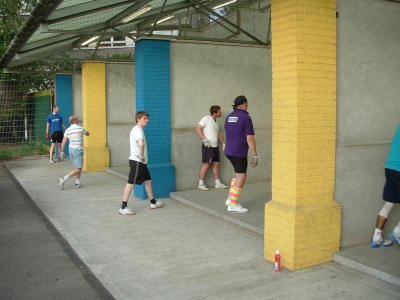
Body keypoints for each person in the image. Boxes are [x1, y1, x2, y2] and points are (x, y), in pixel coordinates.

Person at [119, 111, 165, 215]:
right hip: (137, 161)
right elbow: (141, 143)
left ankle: (153, 203)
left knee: (148, 181)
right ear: (138, 119)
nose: (147, 120)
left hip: (141, 162)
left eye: (147, 118)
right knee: (130, 184)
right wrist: (141, 155)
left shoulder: (137, 130)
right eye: (144, 118)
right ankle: (123, 207)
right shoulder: (137, 130)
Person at [224, 95, 258, 213]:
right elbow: (249, 138)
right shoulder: (245, 117)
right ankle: (233, 205)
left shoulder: (229, 116)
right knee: (241, 177)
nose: (247, 105)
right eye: (247, 103)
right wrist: (255, 155)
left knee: (237, 175)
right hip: (239, 152)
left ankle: (230, 199)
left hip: (229, 151)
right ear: (243, 103)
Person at [370, 124, 400, 248]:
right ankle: (397, 231)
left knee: (389, 202)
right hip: (399, 169)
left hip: (390, 167)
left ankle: (376, 238)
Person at [196, 105, 228, 191]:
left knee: (216, 164)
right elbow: (198, 129)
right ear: (214, 113)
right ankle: (200, 184)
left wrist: (223, 143)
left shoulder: (216, 122)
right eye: (219, 111)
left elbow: (218, 133)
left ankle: (218, 183)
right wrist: (204, 139)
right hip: (208, 146)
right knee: (206, 164)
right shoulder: (205, 119)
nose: (221, 113)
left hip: (215, 146)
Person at [58, 115, 90, 190]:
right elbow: (88, 134)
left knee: (77, 166)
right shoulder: (80, 128)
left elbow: (63, 142)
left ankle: (77, 183)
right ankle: (63, 179)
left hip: (71, 150)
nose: (78, 118)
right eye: (77, 118)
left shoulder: (67, 130)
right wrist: (86, 132)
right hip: (78, 150)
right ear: (75, 120)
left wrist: (61, 152)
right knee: (78, 168)